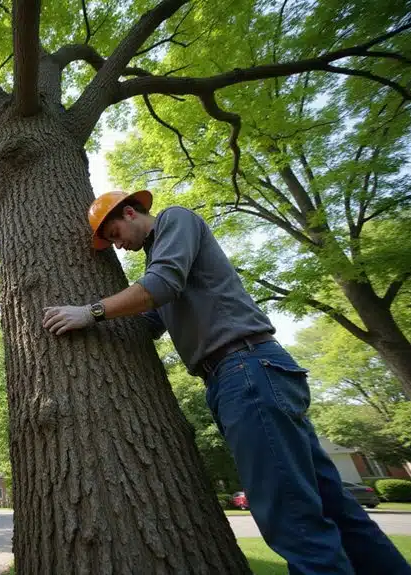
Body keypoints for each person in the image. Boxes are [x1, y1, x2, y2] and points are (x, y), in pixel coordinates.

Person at [42, 190, 410, 575]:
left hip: (246, 370)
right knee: (333, 506)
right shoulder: (162, 262)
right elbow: (150, 321)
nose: (118, 246)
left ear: (131, 212)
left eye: (115, 233)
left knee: (291, 518)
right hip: (248, 378)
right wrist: (91, 318)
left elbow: (161, 285)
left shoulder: (175, 222)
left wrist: (91, 311)